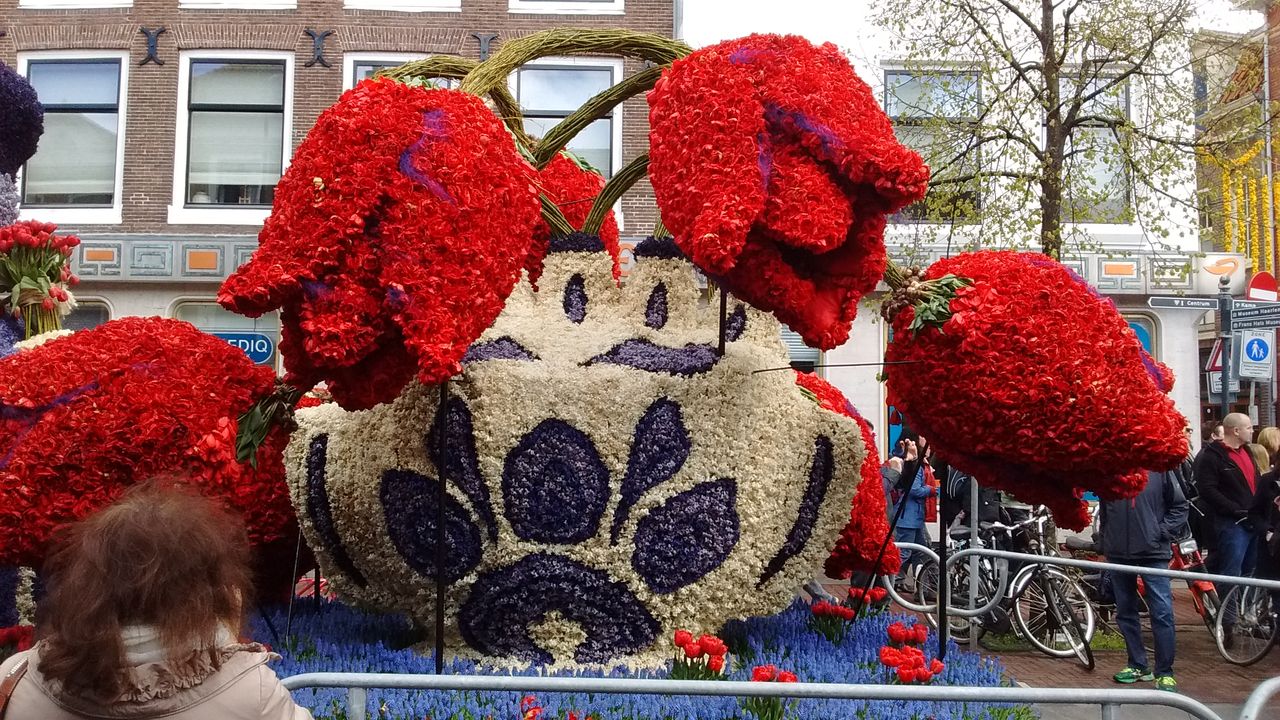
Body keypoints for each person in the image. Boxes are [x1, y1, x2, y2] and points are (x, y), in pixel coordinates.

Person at [0, 482, 312, 719]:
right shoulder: (252, 695)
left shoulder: (15, 680)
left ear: (83, 585)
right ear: (204, 593)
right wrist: (226, 633)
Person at [1099, 469, 1189, 692]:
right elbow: (1105, 509)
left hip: (1153, 552)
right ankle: (1137, 664)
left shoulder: (1160, 469)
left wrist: (1160, 532)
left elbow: (1180, 506)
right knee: (1125, 611)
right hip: (1118, 552)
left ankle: (1165, 672)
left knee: (1162, 612)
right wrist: (1106, 541)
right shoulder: (1112, 469)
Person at [1197, 413, 1264, 636]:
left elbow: (1254, 482)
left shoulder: (1247, 452)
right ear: (1236, 431)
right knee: (1231, 572)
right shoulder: (1212, 456)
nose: (1252, 431)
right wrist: (1234, 509)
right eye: (1248, 427)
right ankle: (1229, 620)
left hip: (1251, 521)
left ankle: (1248, 616)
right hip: (1231, 522)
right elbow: (1207, 489)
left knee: (1251, 570)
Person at [892, 436, 937, 592]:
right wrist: (933, 490)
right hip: (908, 517)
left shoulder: (921, 465)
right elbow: (914, 489)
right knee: (905, 552)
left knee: (922, 551)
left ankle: (922, 588)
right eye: (927, 445)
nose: (930, 448)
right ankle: (886, 583)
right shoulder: (917, 466)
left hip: (913, 517)